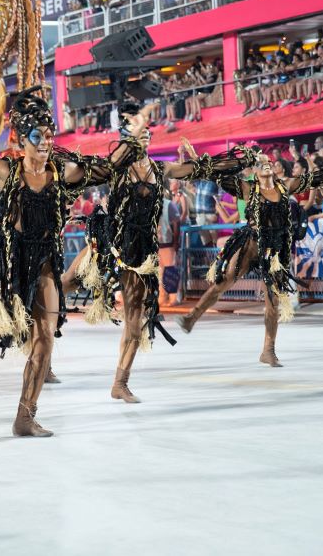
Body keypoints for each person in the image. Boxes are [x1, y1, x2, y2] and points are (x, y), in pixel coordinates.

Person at [0, 88, 148, 437]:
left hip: (44, 264)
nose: (46, 142)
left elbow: (107, 167)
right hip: (4, 264)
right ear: (21, 139)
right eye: (38, 136)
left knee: (45, 337)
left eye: (49, 135)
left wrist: (131, 137)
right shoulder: (4, 171)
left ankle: (25, 416)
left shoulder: (64, 173)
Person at [76, 120, 252, 403]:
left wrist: (197, 158)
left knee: (135, 321)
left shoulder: (160, 169)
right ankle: (38, 330)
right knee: (68, 285)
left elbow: (197, 171)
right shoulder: (117, 170)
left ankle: (120, 383)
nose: (143, 137)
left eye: (146, 134)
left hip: (144, 253)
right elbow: (84, 175)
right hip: (114, 245)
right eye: (137, 134)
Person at [177, 153, 323, 366]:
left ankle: (268, 350)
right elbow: (217, 175)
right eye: (260, 164)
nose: (266, 165)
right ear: (254, 171)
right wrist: (198, 159)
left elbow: (313, 179)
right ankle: (192, 317)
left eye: (268, 163)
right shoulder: (247, 188)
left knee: (272, 300)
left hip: (274, 248)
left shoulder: (285, 185)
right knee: (224, 280)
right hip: (250, 243)